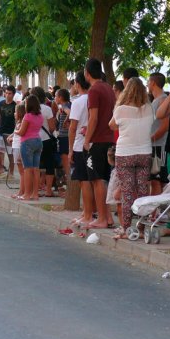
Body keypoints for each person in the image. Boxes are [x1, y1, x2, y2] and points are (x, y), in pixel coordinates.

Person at [109, 77, 153, 239]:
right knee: (142, 191)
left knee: (127, 192)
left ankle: (126, 228)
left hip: (125, 153)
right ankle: (141, 228)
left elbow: (112, 125)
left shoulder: (121, 109)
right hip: (145, 153)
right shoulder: (148, 108)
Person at [83, 58, 116, 229]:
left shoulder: (94, 90)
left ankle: (102, 218)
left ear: (87, 73)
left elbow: (93, 118)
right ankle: (108, 217)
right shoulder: (109, 89)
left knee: (97, 180)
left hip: (98, 140)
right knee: (105, 179)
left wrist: (87, 140)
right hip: (109, 138)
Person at [68, 71, 94, 227]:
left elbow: (73, 127)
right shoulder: (93, 98)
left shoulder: (78, 102)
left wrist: (70, 150)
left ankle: (88, 214)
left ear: (77, 84)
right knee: (91, 181)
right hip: (92, 143)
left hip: (80, 144)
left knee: (84, 182)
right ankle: (86, 212)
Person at [15, 95, 44, 200]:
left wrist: (15, 131)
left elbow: (22, 132)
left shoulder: (27, 116)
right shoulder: (40, 116)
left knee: (27, 169)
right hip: (38, 140)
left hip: (27, 142)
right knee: (36, 169)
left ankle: (27, 194)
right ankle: (35, 194)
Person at [31, 87, 56, 197]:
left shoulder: (29, 109)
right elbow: (51, 127)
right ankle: (48, 190)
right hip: (45, 139)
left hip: (32, 139)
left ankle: (34, 190)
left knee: (33, 166)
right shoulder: (47, 109)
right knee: (49, 164)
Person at [147, 72, 169, 195]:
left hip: (159, 146)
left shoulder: (163, 100)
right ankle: (156, 212)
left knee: (156, 180)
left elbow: (165, 126)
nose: (147, 84)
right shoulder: (156, 100)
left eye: (148, 81)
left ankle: (156, 213)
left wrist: (151, 139)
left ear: (153, 83)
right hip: (154, 146)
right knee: (154, 180)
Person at [0, 85, 16, 177]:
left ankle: (11, 172)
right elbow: (0, 115)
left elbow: (16, 120)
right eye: (6, 93)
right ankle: (0, 168)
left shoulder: (15, 105)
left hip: (10, 132)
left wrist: (14, 133)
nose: (7, 95)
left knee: (10, 154)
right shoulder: (2, 103)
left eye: (9, 93)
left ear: (13, 94)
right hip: (0, 130)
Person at [9, 103, 26, 198]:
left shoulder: (21, 122)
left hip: (18, 147)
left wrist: (13, 136)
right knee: (22, 172)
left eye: (16, 111)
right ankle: (22, 191)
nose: (14, 113)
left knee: (22, 172)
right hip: (17, 146)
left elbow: (19, 133)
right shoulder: (19, 122)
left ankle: (21, 191)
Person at [54, 88, 71, 178]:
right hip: (67, 136)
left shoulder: (64, 106)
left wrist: (65, 120)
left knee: (65, 159)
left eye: (56, 96)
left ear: (60, 97)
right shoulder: (69, 104)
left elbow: (70, 113)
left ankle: (69, 180)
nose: (55, 98)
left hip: (64, 136)